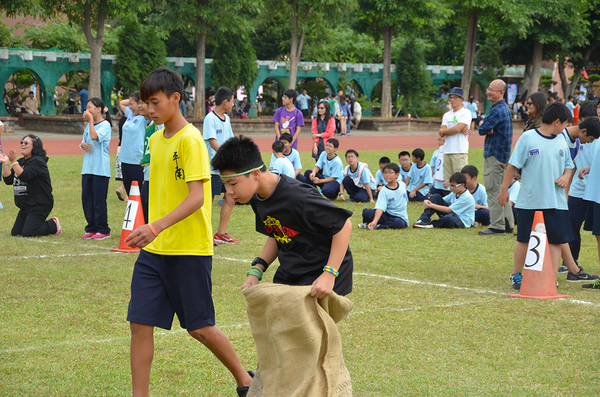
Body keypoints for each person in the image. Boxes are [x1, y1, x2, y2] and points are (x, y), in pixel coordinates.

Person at [124, 68, 253, 397]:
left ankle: (246, 381)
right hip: (154, 252)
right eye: (145, 103)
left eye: (154, 103)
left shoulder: (191, 140)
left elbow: (198, 197)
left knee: (199, 328)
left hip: (189, 250)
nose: (149, 110)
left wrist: (154, 226)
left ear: (175, 98)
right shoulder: (155, 139)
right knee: (140, 323)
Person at [211, 135, 353, 298]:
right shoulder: (258, 197)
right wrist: (257, 268)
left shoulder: (299, 196)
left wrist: (329, 274)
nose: (228, 191)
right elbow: (278, 232)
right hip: (292, 271)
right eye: (225, 184)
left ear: (256, 174)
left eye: (233, 183)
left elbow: (343, 225)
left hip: (322, 273)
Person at [498, 102, 577, 291]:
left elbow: (569, 164)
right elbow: (513, 165)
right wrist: (504, 189)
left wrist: (566, 177)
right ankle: (517, 274)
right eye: (565, 123)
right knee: (525, 239)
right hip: (530, 200)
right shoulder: (528, 138)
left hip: (556, 201)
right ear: (557, 122)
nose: (566, 128)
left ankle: (550, 277)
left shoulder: (561, 139)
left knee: (556, 240)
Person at [0, 135, 61, 237]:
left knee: (28, 233)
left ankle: (53, 224)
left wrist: (13, 161)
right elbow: (8, 180)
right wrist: (6, 163)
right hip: (26, 205)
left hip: (39, 204)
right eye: (22, 142)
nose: (23, 145)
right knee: (16, 232)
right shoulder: (21, 161)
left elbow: (25, 175)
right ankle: (36, 222)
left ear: (35, 146)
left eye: (26, 143)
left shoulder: (38, 162)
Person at [203, 86, 240, 246]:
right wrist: (226, 155)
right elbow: (213, 142)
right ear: (225, 102)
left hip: (226, 168)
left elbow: (230, 141)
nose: (233, 104)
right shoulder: (209, 119)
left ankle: (221, 234)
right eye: (232, 101)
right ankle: (205, 235)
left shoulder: (227, 119)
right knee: (207, 202)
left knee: (231, 196)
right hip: (213, 168)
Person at [478, 79, 514, 236]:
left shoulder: (497, 110)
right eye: (488, 88)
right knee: (501, 190)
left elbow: (482, 129)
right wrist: (488, 128)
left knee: (493, 190)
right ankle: (508, 223)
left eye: (492, 90)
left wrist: (486, 127)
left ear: (502, 93)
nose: (489, 92)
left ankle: (497, 226)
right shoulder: (504, 108)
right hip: (502, 156)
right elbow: (486, 128)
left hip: (495, 155)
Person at [79, 97, 112, 240]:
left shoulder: (105, 125)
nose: (87, 110)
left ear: (99, 109)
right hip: (88, 168)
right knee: (87, 199)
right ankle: (91, 227)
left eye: (90, 107)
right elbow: (84, 141)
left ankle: (103, 230)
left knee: (98, 200)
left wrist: (90, 120)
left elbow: (94, 136)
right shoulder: (88, 126)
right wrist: (82, 145)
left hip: (100, 169)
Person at [359, 163, 409, 230]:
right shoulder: (384, 191)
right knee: (367, 213)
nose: (387, 175)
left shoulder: (402, 185)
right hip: (387, 214)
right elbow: (380, 208)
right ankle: (373, 223)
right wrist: (375, 220)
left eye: (390, 172)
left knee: (399, 223)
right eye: (385, 172)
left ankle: (378, 226)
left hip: (399, 217)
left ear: (397, 175)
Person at [439, 87, 471, 186]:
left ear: (461, 99)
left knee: (460, 180)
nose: (452, 100)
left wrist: (451, 130)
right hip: (447, 150)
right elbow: (441, 132)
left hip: (459, 150)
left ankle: (461, 200)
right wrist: (456, 128)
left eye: (455, 97)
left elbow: (456, 129)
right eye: (451, 97)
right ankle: (452, 200)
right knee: (449, 181)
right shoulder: (446, 115)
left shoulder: (465, 112)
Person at [139, 99, 164, 224]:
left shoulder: (159, 125)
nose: (140, 106)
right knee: (145, 203)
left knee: (149, 204)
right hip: (148, 171)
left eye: (142, 103)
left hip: (155, 173)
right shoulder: (149, 125)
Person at [118, 92, 146, 196]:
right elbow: (122, 103)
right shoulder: (130, 114)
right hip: (125, 160)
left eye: (132, 104)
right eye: (129, 104)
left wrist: (140, 101)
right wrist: (131, 101)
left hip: (137, 162)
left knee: (140, 194)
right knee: (131, 194)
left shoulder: (144, 118)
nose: (129, 107)